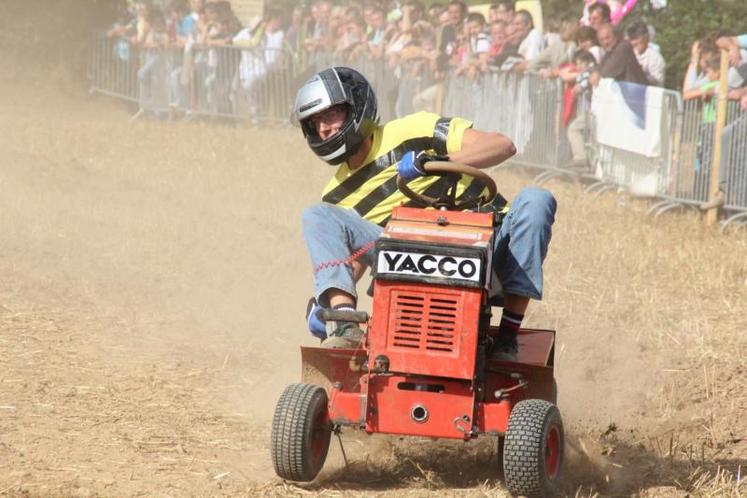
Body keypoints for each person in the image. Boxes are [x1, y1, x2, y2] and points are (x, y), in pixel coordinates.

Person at [293, 67, 557, 361]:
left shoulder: (412, 129)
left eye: (330, 116)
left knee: (537, 199)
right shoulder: (336, 195)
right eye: (315, 123)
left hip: (487, 248)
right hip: (407, 256)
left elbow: (501, 145)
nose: (324, 129)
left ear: (356, 106)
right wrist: (323, 301)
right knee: (316, 214)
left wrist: (436, 160)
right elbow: (353, 258)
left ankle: (507, 337)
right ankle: (344, 324)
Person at [626, 20, 665, 86]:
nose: (634, 43)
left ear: (646, 37)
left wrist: (639, 72)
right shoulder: (630, 53)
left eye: (636, 38)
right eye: (631, 39)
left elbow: (656, 82)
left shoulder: (655, 57)